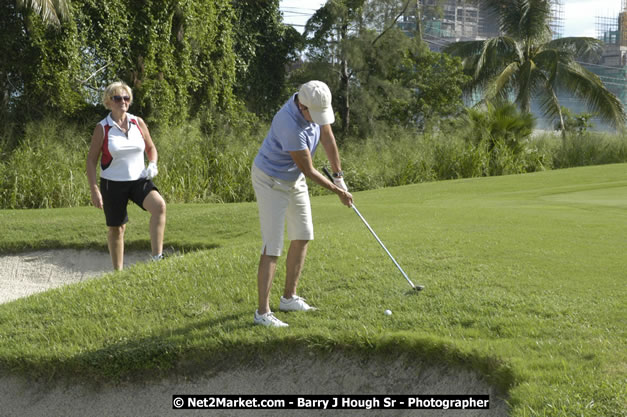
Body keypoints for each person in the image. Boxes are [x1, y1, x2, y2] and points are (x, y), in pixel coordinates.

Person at [251, 80, 353, 327]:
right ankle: (262, 313)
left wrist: (339, 177)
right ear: (302, 106)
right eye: (313, 115)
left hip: (293, 178)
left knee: (303, 234)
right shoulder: (288, 122)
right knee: (273, 245)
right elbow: (307, 169)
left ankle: (288, 298)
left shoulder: (315, 106)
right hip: (271, 179)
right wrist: (336, 192)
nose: (318, 120)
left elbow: (328, 138)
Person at [86, 81, 167, 270]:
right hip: (112, 184)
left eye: (126, 98)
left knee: (159, 206)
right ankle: (118, 273)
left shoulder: (137, 122)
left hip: (138, 179)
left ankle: (157, 258)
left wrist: (153, 163)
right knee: (117, 228)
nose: (123, 101)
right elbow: (91, 160)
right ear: (108, 102)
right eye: (117, 98)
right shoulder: (102, 128)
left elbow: (151, 147)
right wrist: (94, 189)